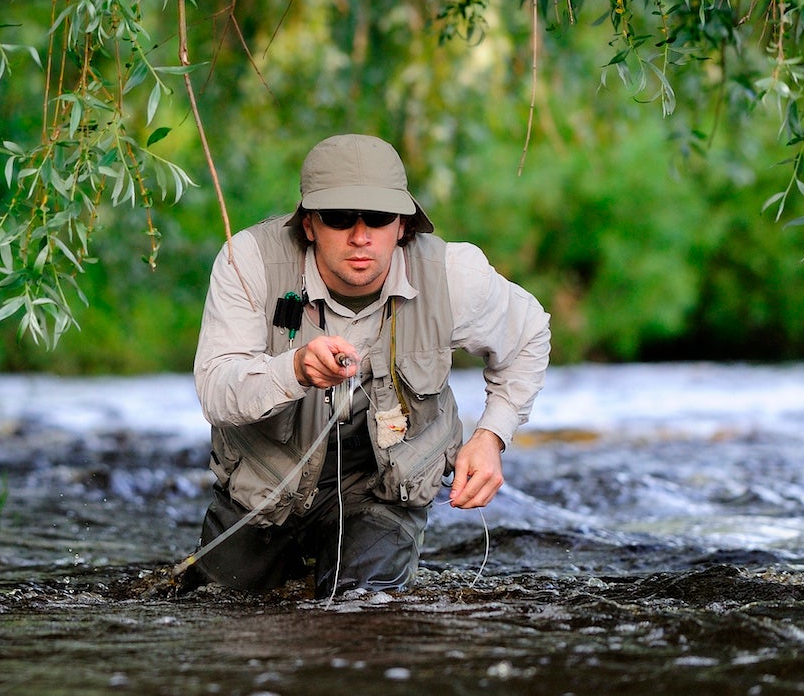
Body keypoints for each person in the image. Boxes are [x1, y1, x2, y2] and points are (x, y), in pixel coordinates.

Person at [187, 133, 550, 594]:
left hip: (382, 492)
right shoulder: (249, 263)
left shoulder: (453, 275)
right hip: (263, 493)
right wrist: (293, 370)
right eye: (340, 218)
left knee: (363, 613)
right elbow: (216, 390)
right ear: (309, 225)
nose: (360, 236)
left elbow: (530, 333)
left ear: (402, 225)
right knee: (215, 608)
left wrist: (491, 436)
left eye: (377, 218)